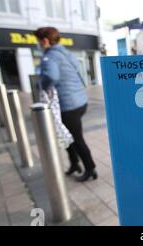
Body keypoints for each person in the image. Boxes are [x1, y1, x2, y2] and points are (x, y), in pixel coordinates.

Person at [35, 27, 97, 182]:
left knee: (76, 138)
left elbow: (51, 76)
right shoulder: (66, 53)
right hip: (80, 101)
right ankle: (75, 164)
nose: (38, 44)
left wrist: (41, 84)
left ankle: (90, 168)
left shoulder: (49, 57)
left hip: (67, 104)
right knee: (68, 135)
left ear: (45, 41)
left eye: (38, 41)